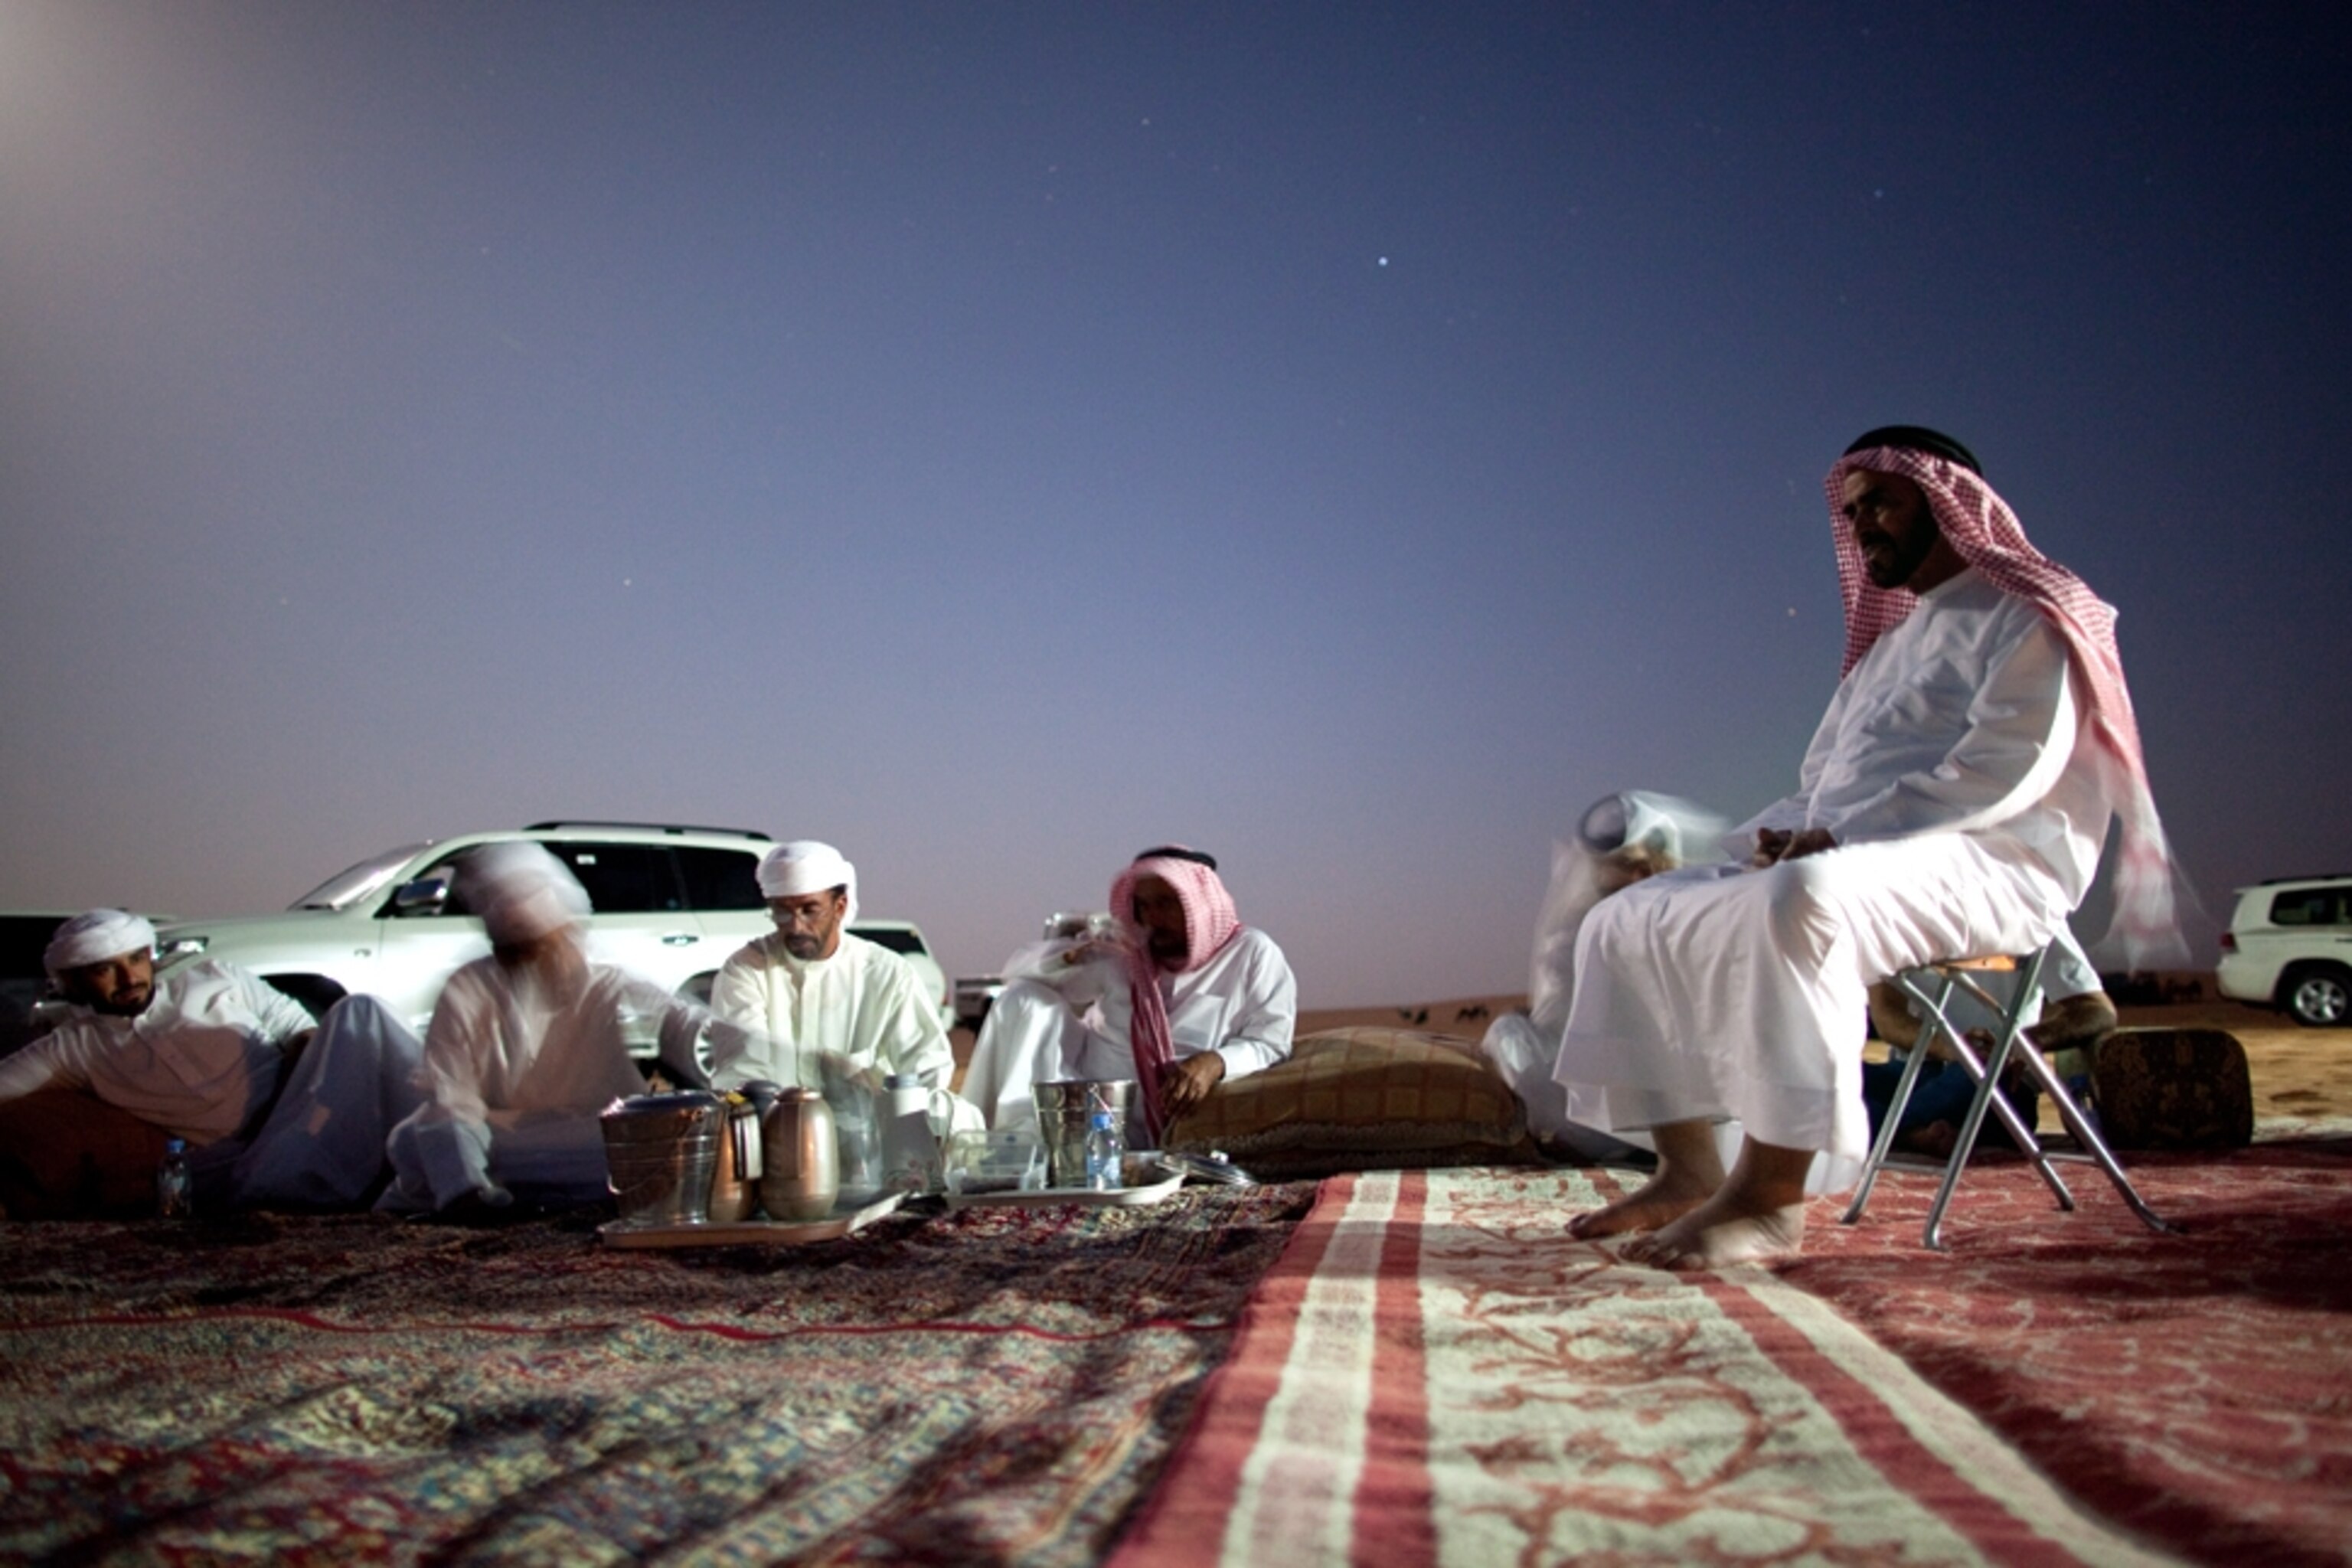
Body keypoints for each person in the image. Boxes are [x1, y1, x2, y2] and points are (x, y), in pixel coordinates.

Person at [1554, 426, 2186, 1269]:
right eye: (1852, 514)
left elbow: (2002, 769)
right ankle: (1685, 1170)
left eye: (1882, 501)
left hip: (1995, 862)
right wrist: (1758, 843)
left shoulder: (2032, 612)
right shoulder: (1885, 650)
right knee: (1630, 912)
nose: (1864, 526)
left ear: (1950, 498)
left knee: (1802, 898)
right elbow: (1819, 788)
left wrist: (1830, 840)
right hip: (1855, 854)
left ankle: (1772, 1196)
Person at [0, 909, 424, 1209]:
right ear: (73, 980)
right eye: (105, 970)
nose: (130, 978)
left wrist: (295, 1104)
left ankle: (448, 1131)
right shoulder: (72, 1049)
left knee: (360, 1010)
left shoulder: (215, 978)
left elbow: (300, 1030)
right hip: (248, 1157)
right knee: (259, 1178)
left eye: (135, 959)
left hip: (303, 1105)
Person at [383, 843, 709, 1217]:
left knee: (651, 1147)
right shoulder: (468, 989)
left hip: (585, 1136)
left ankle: (491, 1188)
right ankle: (469, 1194)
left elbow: (681, 1022)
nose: (554, 954)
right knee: (423, 1137)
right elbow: (451, 1098)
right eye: (528, 947)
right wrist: (471, 1160)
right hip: (494, 1135)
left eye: (553, 939)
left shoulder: (606, 984)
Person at [961, 846, 1296, 1142]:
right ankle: (1012, 1144)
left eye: (1166, 903)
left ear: (1201, 905)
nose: (1151, 918)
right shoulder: (1124, 954)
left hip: (1183, 1115)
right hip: (1092, 1110)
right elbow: (1017, 973)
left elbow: (1271, 1041)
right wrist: (1069, 953)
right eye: (1143, 905)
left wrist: (1214, 1062)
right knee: (1025, 1000)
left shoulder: (1251, 954)